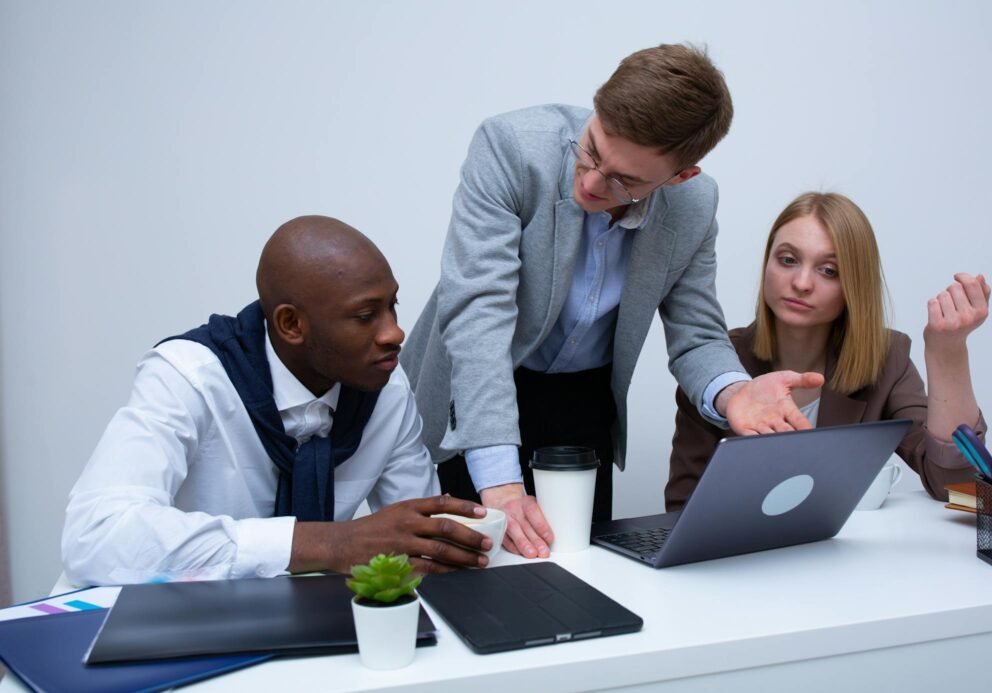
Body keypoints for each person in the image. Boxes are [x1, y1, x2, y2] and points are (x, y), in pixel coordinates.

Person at [401, 43, 823, 560]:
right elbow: (478, 314)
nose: (593, 182)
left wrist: (735, 393)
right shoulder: (510, 147)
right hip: (474, 388)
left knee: (574, 575)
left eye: (626, 180)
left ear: (679, 176)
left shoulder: (693, 204)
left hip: (583, 403)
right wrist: (503, 485)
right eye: (593, 150)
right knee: (457, 574)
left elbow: (697, 334)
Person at [62, 216, 491, 586]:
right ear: (290, 324)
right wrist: (329, 543)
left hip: (310, 631)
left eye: (392, 307)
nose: (394, 333)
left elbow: (415, 545)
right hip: (168, 628)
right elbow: (95, 536)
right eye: (365, 316)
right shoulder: (189, 378)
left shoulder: (387, 389)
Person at [666, 192, 990, 509]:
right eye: (788, 260)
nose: (802, 283)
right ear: (767, 262)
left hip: (844, 559)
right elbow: (683, 507)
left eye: (829, 270)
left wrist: (947, 352)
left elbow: (954, 486)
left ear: (854, 286)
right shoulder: (715, 365)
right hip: (741, 556)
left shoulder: (887, 358)